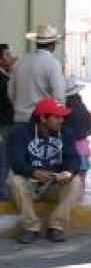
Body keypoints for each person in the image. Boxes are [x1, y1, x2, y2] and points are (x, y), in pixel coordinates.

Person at [6, 97, 80, 244]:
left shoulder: (66, 133)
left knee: (76, 181)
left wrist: (69, 172)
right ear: (43, 118)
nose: (61, 120)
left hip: (54, 184)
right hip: (30, 184)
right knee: (15, 181)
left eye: (62, 117)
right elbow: (15, 161)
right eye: (57, 117)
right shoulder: (20, 134)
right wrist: (33, 172)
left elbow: (74, 158)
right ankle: (31, 227)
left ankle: (56, 227)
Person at [9, 24, 65, 124]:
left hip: (19, 117)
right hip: (40, 121)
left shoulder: (20, 62)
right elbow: (59, 96)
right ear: (53, 45)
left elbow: (11, 92)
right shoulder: (53, 63)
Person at [64, 77, 91, 202]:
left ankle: (71, 203)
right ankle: (79, 202)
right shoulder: (83, 108)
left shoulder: (65, 111)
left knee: (69, 181)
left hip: (71, 150)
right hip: (83, 149)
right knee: (81, 180)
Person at [0, 44, 17, 200]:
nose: (10, 57)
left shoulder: (6, 76)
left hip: (8, 120)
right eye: (7, 55)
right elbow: (9, 100)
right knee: (5, 156)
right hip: (6, 121)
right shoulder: (2, 79)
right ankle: (2, 192)